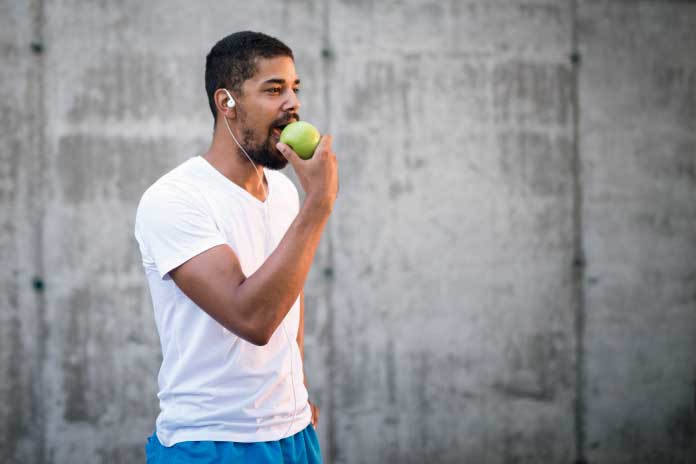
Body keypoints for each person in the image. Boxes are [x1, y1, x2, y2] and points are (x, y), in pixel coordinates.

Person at [134, 31, 338, 463]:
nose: (293, 104)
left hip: (294, 433)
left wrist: (295, 388)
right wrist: (319, 203)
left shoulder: (283, 192)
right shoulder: (175, 199)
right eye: (274, 89)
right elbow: (253, 318)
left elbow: (288, 298)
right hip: (213, 442)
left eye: (295, 88)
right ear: (226, 102)